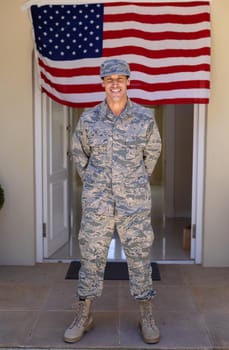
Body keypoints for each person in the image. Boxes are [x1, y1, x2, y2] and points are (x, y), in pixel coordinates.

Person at [64, 58, 162, 344]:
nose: (115, 83)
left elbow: (153, 152)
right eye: (110, 79)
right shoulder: (89, 119)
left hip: (134, 204)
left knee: (140, 257)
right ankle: (84, 315)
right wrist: (94, 181)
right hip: (98, 204)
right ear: (103, 84)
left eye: (120, 78)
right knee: (91, 259)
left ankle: (146, 315)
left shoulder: (144, 118)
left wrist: (136, 180)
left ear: (129, 81)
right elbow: (78, 153)